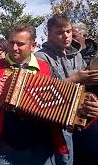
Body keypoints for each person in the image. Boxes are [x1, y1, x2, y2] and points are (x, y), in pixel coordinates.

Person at [0, 24, 72, 165]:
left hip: (41, 147)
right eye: (11, 42)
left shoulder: (46, 68)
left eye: (20, 44)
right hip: (6, 147)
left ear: (33, 46)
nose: (14, 48)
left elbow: (64, 98)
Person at [36, 15, 98, 165]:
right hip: (59, 124)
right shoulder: (41, 57)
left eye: (69, 31)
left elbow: (84, 87)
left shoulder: (77, 55)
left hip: (82, 118)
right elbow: (43, 93)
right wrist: (76, 78)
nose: (66, 36)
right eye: (60, 32)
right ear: (49, 34)